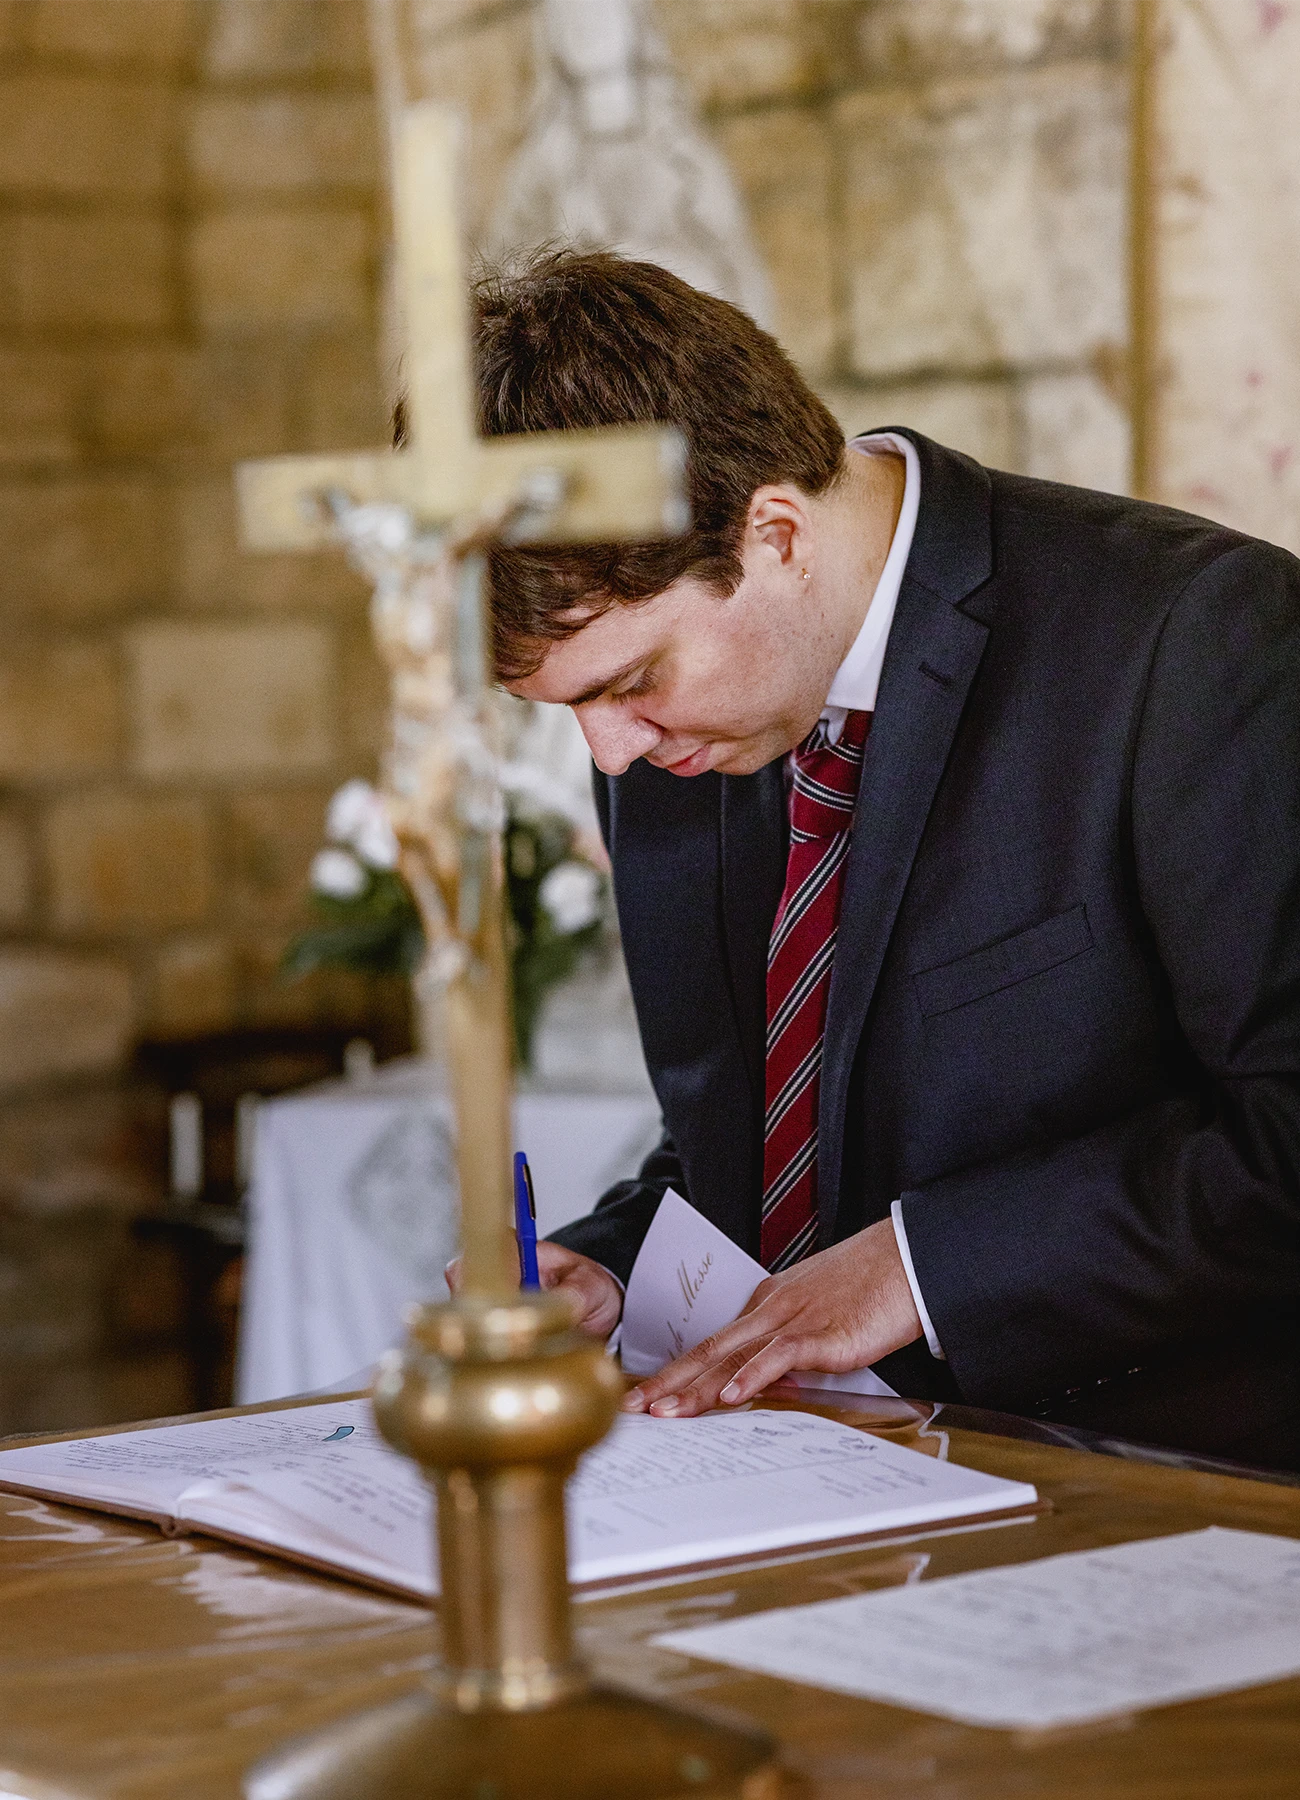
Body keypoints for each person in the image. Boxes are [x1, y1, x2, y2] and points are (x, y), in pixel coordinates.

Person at [471, 248, 1300, 1470]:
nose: (611, 749)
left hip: (1163, 1483)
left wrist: (924, 1270)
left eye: (632, 682)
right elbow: (753, 1133)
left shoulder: (1193, 642)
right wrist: (610, 1262)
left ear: (774, 530)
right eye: (569, 710)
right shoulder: (684, 734)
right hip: (796, 1489)